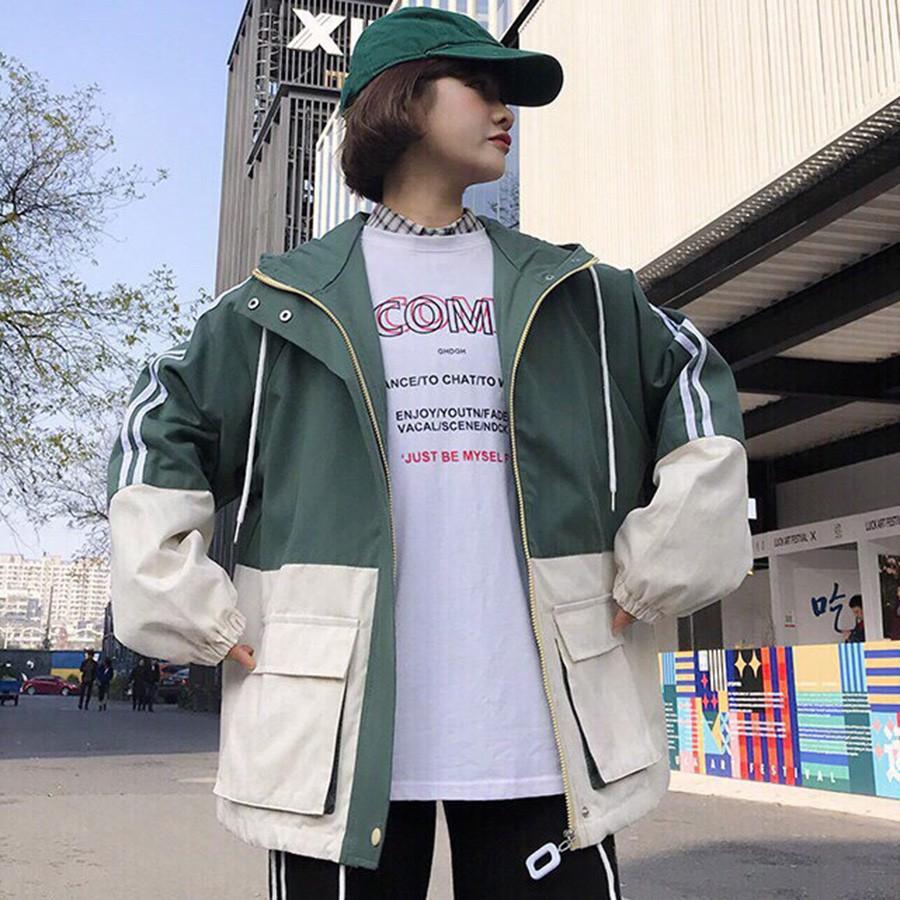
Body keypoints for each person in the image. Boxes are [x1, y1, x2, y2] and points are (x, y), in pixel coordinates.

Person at [106, 8, 752, 899]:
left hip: (544, 726)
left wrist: (662, 565)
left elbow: (698, 388)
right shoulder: (273, 305)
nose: (504, 110)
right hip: (331, 730)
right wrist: (190, 610)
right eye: (477, 85)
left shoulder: (583, 296)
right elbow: (156, 424)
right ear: (401, 100)